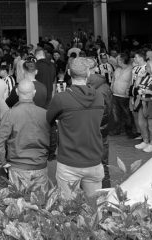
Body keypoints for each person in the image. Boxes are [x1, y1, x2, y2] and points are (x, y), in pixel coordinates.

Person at [47, 57, 105, 199]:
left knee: (68, 209)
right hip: (94, 159)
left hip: (69, 161)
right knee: (95, 207)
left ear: (68, 72)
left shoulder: (61, 99)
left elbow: (49, 119)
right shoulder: (99, 96)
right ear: (88, 73)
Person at [0, 80, 55, 192]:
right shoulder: (45, 114)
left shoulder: (11, 114)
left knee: (19, 204)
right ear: (34, 92)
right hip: (39, 164)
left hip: (18, 166)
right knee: (40, 203)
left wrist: (1, 162)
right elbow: (53, 138)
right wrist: (50, 155)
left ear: (17, 92)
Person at [88, 58, 112, 188]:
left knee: (101, 166)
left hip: (98, 131)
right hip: (99, 131)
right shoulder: (100, 85)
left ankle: (105, 194)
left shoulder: (99, 88)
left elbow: (104, 113)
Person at [135, 60, 152, 153]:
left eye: (148, 67)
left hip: (151, 103)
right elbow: (137, 87)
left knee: (151, 125)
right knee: (141, 123)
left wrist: (149, 92)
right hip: (142, 102)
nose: (146, 68)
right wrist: (139, 77)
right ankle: (145, 141)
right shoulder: (145, 77)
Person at [111, 53, 133, 136]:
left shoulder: (131, 69)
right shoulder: (117, 69)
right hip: (115, 95)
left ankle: (129, 131)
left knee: (127, 114)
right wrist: (112, 86)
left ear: (122, 60)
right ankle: (117, 130)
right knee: (116, 114)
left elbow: (131, 82)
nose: (116, 60)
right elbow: (113, 78)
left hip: (125, 96)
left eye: (118, 59)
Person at [130, 50, 148, 139]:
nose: (134, 58)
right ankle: (139, 132)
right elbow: (132, 80)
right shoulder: (135, 67)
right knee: (134, 113)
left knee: (142, 114)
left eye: (136, 57)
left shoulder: (146, 68)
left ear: (141, 58)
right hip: (133, 92)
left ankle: (144, 134)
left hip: (141, 93)